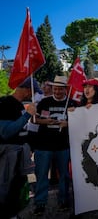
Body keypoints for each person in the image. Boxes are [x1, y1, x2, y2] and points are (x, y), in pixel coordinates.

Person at [31, 76, 77, 216]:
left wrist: (68, 123)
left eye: (60, 89)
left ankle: (63, 200)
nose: (57, 91)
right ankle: (40, 203)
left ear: (65, 89)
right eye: (55, 88)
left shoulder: (72, 103)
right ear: (52, 89)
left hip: (63, 146)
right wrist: (45, 122)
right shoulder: (44, 102)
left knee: (64, 176)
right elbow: (34, 119)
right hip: (43, 146)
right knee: (42, 175)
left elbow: (82, 122)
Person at [0, 78, 38, 219]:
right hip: (7, 153)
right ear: (27, 89)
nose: (32, 95)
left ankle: (12, 213)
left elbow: (21, 129)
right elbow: (6, 132)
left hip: (18, 152)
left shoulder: (19, 105)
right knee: (5, 186)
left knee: (16, 185)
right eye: (31, 92)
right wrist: (28, 115)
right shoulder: (5, 104)